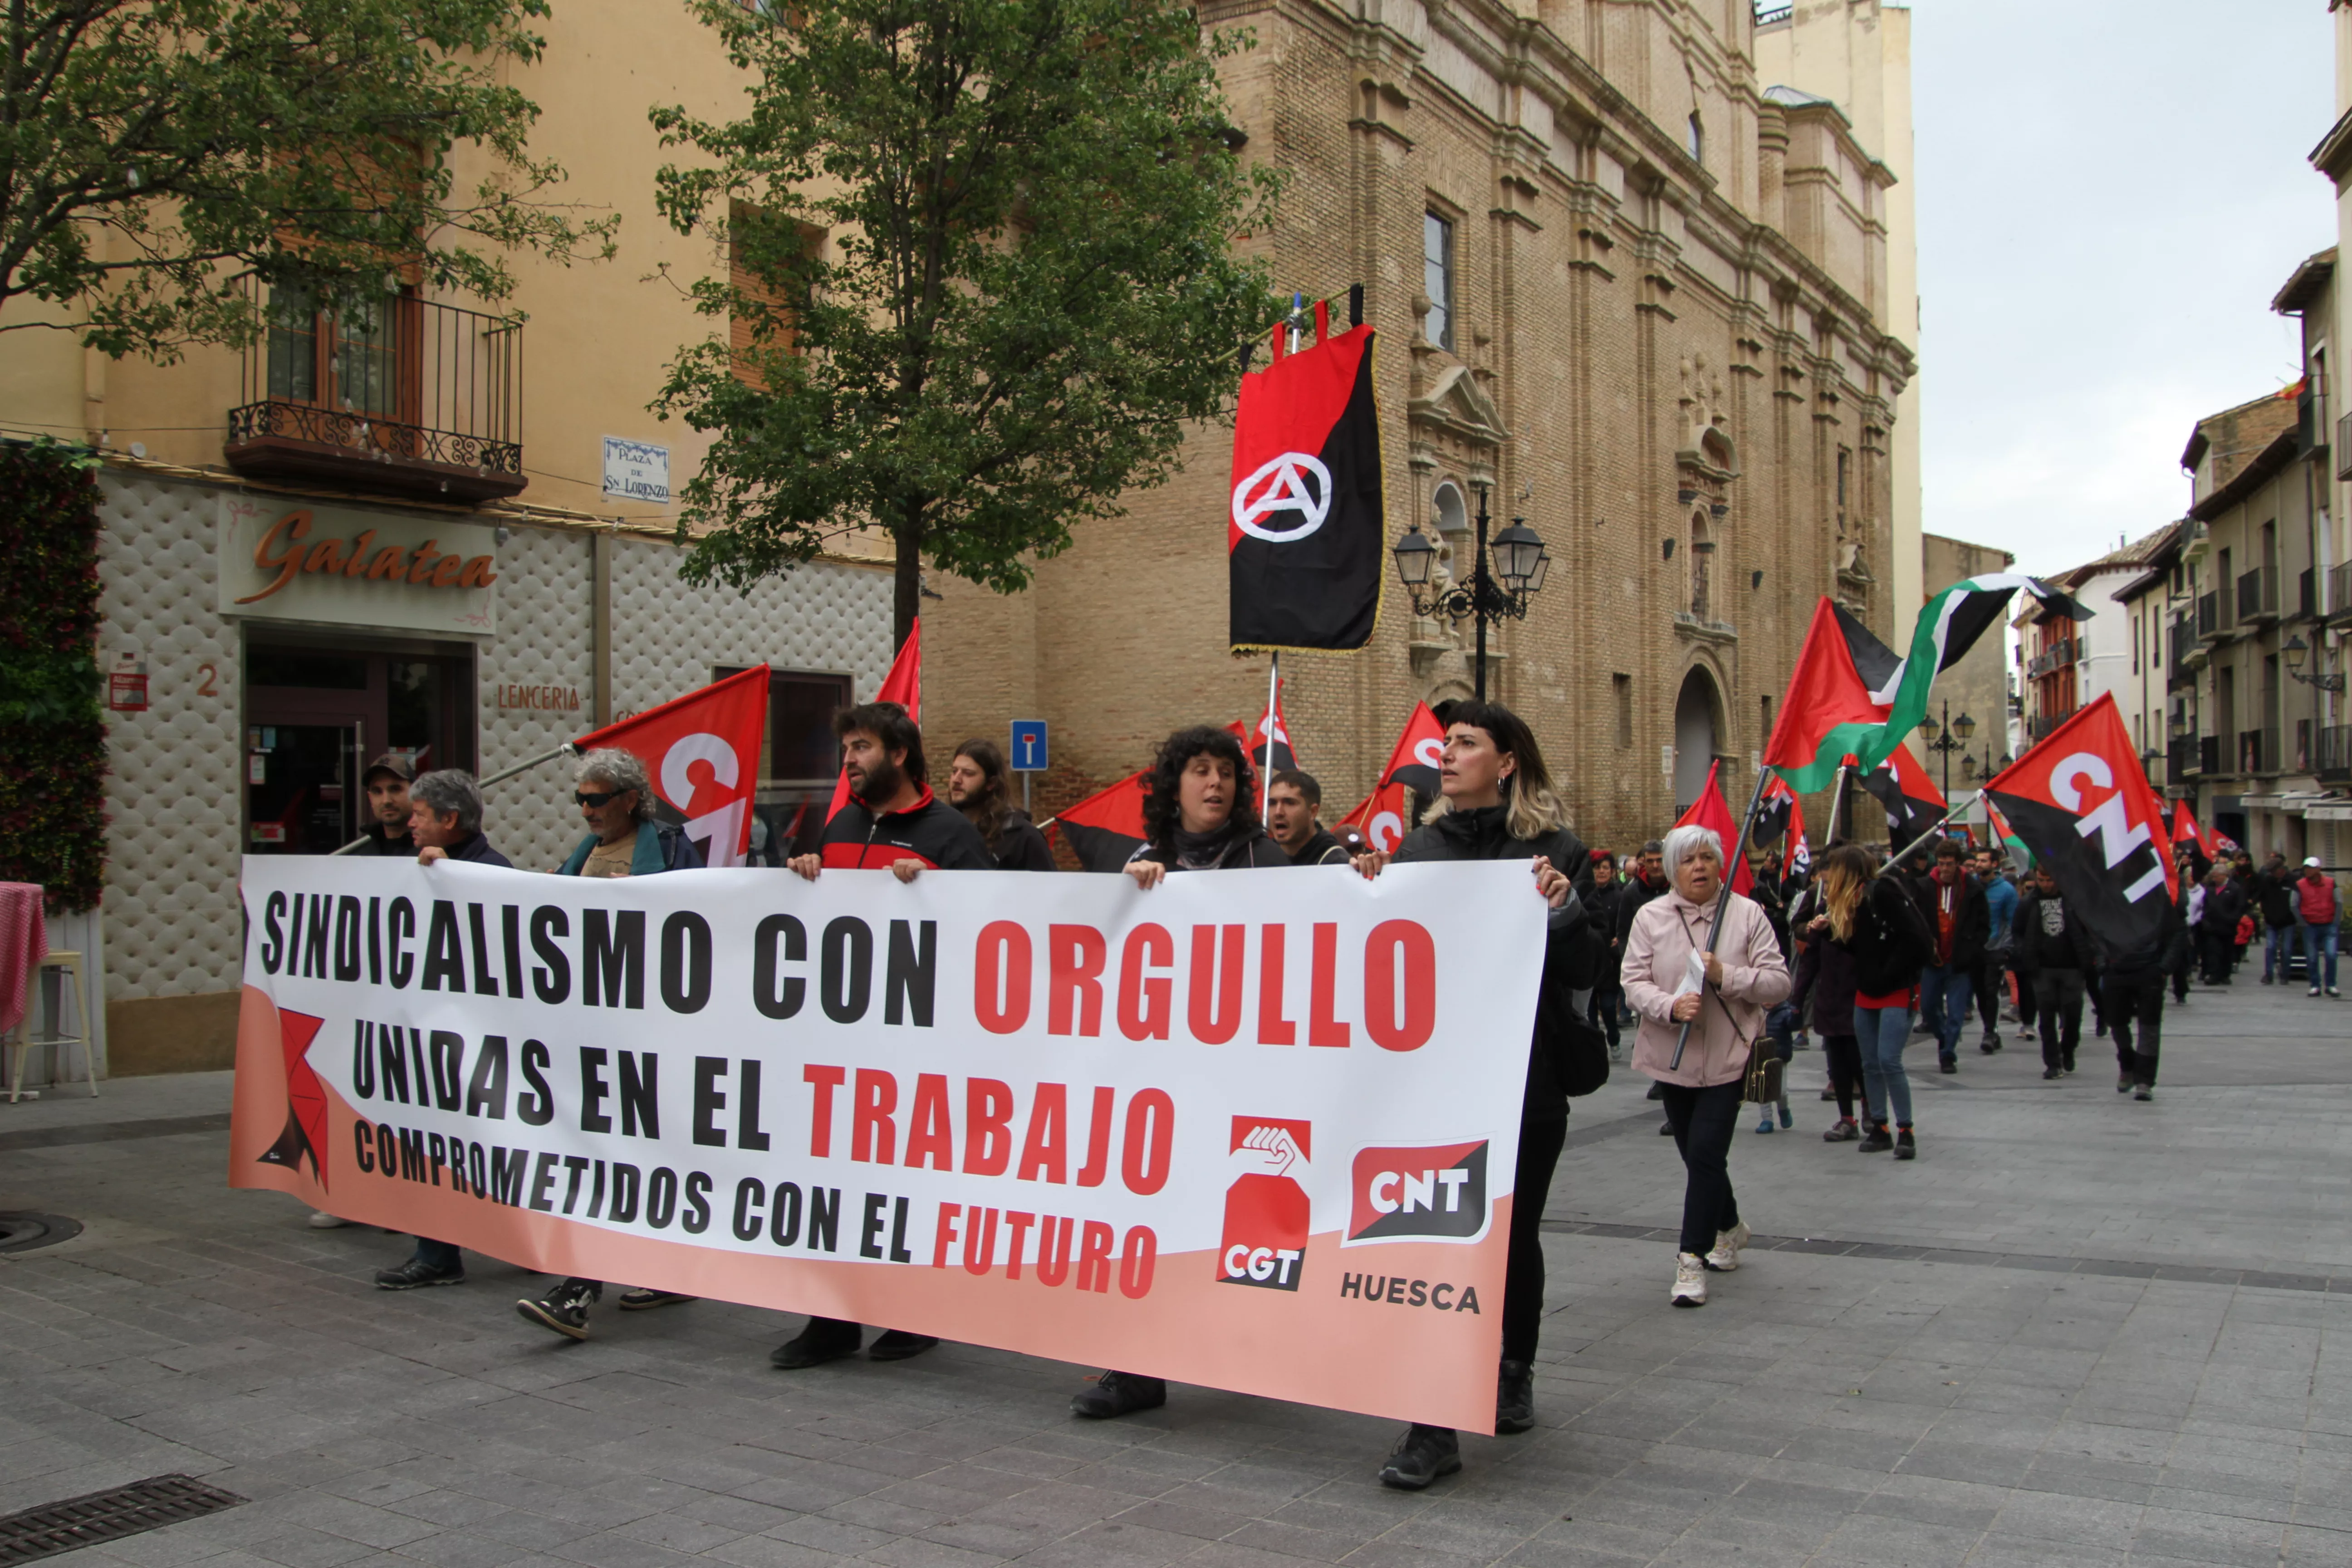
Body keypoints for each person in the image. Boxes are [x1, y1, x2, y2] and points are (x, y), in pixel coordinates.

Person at [1345, 701, 1593, 1489]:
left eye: (1463, 744)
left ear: (1507, 760)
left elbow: (1584, 969)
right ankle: (1432, 1422)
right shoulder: (1416, 848)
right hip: (1437, 1084)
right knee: (1439, 1241)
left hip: (1526, 1082)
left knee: (1511, 1240)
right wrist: (1366, 895)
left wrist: (1563, 908)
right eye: (1443, 743)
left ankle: (1511, 1365)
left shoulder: (1556, 852)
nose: (1444, 754)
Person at [1072, 727, 1291, 1426]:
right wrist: (1131, 900)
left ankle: (1261, 1346)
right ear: (1175, 785)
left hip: (1246, 1078)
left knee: (1241, 1220)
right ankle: (1138, 1366)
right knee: (1152, 1222)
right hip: (1162, 1083)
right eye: (1200, 771)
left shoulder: (1268, 860)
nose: (1215, 784)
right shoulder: (1144, 861)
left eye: (1225, 772)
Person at [768, 703, 995, 1369]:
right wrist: (804, 875)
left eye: (862, 747)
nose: (849, 760)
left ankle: (913, 1313)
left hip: (915, 1043)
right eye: (847, 749)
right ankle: (832, 1319)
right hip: (842, 1041)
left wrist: (939, 891)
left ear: (899, 754)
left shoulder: (948, 833)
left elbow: (994, 923)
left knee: (907, 1187)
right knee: (833, 1183)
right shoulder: (839, 826)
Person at [514, 750, 705, 1339]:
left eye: (597, 799)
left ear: (629, 799)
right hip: (586, 1035)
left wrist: (650, 896)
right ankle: (606, 1279)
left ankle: (582, 1287)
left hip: (647, 1034)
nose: (587, 810)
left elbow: (702, 920)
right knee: (598, 1158)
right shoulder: (582, 858)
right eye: (581, 800)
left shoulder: (670, 849)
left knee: (622, 1159)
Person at [1622, 823, 1789, 1307]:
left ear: (1721, 864)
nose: (1699, 867)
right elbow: (1632, 980)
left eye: (1707, 858)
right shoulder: (1651, 917)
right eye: (1688, 859)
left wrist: (1727, 976)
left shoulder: (1747, 915)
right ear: (1672, 869)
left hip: (1729, 1059)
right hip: (1671, 1059)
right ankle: (1730, 1227)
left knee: (1706, 1155)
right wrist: (1669, 1007)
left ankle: (1690, 1261)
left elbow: (1779, 983)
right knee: (1699, 1157)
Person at [373, 771, 512, 1289]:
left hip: (476, 1043)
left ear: (450, 821)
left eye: (421, 814)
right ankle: (437, 1251)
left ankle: (444, 1254)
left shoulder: (490, 873)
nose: (410, 823)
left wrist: (453, 881)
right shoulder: (424, 868)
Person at [1843, 848, 1936, 1158]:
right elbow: (1857, 948)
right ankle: (1879, 1127)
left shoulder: (1882, 892)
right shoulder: (1850, 900)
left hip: (1896, 987)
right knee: (1869, 1061)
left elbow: (1915, 938)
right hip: (1867, 989)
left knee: (1888, 1059)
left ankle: (1906, 1130)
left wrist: (1887, 973)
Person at [1790, 846, 1877, 1142]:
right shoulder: (1823, 905)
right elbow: (1810, 956)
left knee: (1859, 1058)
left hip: (1858, 993)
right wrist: (1797, 999)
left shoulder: (1865, 905)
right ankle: (1846, 1118)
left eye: (1831, 877)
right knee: (1837, 1059)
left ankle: (1870, 1108)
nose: (1825, 883)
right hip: (1830, 992)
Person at [2101, 886, 2189, 1101]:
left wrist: (2163, 968)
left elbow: (2180, 930)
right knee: (2117, 1023)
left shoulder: (2161, 894)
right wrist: (2103, 962)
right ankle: (2127, 1063)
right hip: (2117, 968)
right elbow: (2098, 928)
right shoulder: (2112, 892)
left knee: (2149, 1026)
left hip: (2149, 969)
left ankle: (2145, 1080)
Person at [2015, 865, 2096, 1079]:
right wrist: (2025, 954)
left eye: (2049, 880)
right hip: (2042, 969)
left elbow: (2090, 929)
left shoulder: (2074, 900)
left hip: (2072, 967)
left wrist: (2088, 955)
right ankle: (2052, 1062)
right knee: (2046, 1018)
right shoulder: (2029, 902)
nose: (2045, 885)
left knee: (2072, 1016)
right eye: (2041, 880)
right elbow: (2018, 932)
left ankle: (2068, 1049)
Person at [1916, 841, 1989, 1077]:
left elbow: (1983, 925)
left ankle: (1948, 1054)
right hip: (1933, 960)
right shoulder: (1925, 887)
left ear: (1958, 864)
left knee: (1957, 1012)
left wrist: (1971, 950)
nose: (1945, 869)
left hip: (1960, 961)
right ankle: (1943, 1036)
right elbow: (1917, 920)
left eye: (1950, 864)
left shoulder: (1973, 889)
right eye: (1942, 864)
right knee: (1928, 1007)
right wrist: (1926, 944)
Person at [946, 738, 1055, 870]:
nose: (956, 780)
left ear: (991, 783)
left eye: (968, 774)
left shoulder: (1022, 837)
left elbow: (1048, 887)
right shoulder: (943, 829)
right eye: (954, 771)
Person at [1973, 849, 2016, 1054]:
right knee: (1980, 993)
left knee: (1991, 991)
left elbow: (2011, 922)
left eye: (1984, 861)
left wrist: (2006, 949)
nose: (1979, 864)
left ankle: (1990, 1032)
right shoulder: (1970, 886)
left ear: (1995, 864)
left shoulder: (2007, 891)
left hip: (1995, 949)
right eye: (1978, 860)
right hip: (1973, 949)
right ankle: (1990, 1030)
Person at [1585, 851, 1627, 1058]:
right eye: (1597, 867)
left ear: (1612, 872)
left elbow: (1625, 923)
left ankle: (1613, 1036)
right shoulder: (1585, 894)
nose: (1601, 872)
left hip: (1610, 962)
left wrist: (1618, 939)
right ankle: (1595, 1048)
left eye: (1605, 868)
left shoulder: (1620, 896)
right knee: (1589, 1010)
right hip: (1590, 958)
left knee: (1609, 1006)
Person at [1264, 769, 1352, 866]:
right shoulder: (1260, 859)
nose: (1278, 812)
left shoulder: (1337, 864)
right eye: (1272, 803)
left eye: (1290, 803)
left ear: (1313, 812)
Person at [2297, 857, 2342, 998]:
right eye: (2306, 868)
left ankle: (2331, 985)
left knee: (2331, 955)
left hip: (2329, 924)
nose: (2308, 871)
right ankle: (2315, 985)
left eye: (2311, 868)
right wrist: (2301, 921)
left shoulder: (2331, 883)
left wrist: (2336, 921)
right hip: (2310, 925)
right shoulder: (2300, 885)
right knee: (2312, 957)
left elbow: (2339, 902)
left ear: (2318, 869)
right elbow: (2294, 903)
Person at [2193, 865, 2245, 987]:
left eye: (2216, 876)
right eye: (2213, 876)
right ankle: (2214, 975)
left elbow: (2239, 907)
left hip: (2228, 927)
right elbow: (2205, 905)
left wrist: (2232, 919)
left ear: (2224, 876)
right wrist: (2205, 919)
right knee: (2213, 951)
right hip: (2212, 926)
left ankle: (2225, 975)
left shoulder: (2235, 889)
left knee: (2227, 952)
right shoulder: (2210, 888)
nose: (2214, 878)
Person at [2254, 851, 2298, 985]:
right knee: (2271, 947)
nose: (2272, 874)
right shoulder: (2267, 881)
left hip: (2288, 920)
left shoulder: (2293, 880)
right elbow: (2259, 895)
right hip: (2271, 920)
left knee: (2287, 949)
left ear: (2281, 870)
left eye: (2273, 871)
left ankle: (2285, 975)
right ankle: (2269, 974)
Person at [358, 754, 417, 855]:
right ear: (370, 798)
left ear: (415, 793)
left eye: (395, 789)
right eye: (377, 792)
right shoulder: (358, 855)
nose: (386, 801)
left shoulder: (436, 854)